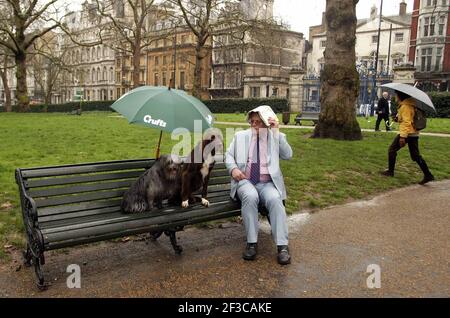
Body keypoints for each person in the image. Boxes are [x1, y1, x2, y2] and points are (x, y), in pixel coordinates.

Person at [225, 107, 293, 265]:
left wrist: (276, 133)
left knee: (276, 199)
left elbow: (288, 155)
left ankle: (282, 246)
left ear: (267, 124)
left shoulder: (275, 136)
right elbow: (228, 155)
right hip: (245, 181)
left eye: (258, 122)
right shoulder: (240, 136)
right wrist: (233, 169)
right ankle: (251, 243)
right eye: (252, 122)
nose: (254, 125)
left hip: (267, 183)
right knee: (250, 196)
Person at [381, 90, 435, 185]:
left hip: (407, 134)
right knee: (415, 156)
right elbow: (408, 119)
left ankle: (390, 171)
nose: (395, 97)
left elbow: (407, 122)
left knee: (392, 150)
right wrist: (397, 119)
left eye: (396, 95)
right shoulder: (410, 104)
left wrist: (402, 137)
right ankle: (428, 175)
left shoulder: (405, 106)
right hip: (413, 134)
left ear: (400, 96)